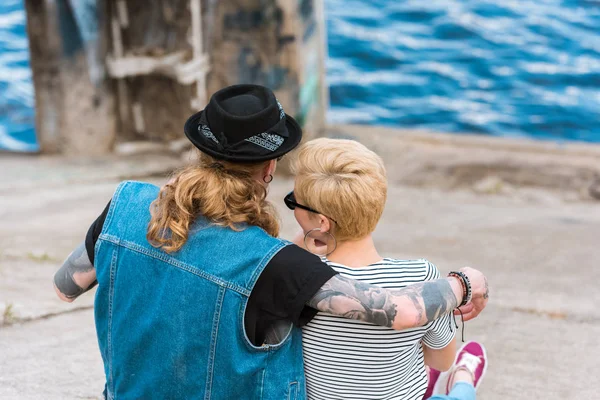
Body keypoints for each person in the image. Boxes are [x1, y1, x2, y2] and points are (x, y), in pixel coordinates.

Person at [53, 84, 488, 399]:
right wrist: (466, 282)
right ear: (268, 170)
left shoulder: (125, 204)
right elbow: (399, 311)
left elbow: (65, 286)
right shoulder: (274, 264)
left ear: (202, 147)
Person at [287, 138, 474, 399]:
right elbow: (441, 362)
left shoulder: (297, 275)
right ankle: (465, 375)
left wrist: (303, 243)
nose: (293, 207)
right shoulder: (422, 277)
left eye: (294, 201)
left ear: (322, 222)